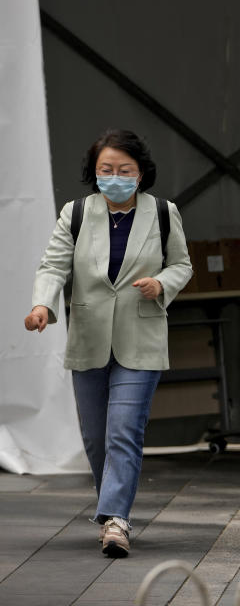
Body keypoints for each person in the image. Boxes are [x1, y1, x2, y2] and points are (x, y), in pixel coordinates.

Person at [24, 129, 193, 556]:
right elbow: (53, 264)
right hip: (89, 338)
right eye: (106, 170)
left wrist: (161, 282)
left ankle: (117, 519)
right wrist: (43, 306)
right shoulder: (77, 213)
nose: (114, 177)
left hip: (142, 336)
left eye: (124, 170)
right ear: (94, 172)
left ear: (140, 174)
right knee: (97, 438)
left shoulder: (163, 213)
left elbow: (183, 264)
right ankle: (110, 511)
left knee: (124, 431)